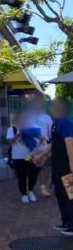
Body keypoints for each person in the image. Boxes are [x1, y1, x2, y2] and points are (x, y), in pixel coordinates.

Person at [48, 99, 73, 236]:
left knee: (70, 195)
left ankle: (72, 225)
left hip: (66, 167)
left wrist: (72, 164)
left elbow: (70, 144)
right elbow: (54, 145)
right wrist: (42, 155)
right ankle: (66, 222)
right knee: (60, 194)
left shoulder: (66, 123)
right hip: (57, 166)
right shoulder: (55, 124)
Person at [6, 110, 41, 203]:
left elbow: (41, 140)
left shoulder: (32, 129)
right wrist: (18, 135)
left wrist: (36, 150)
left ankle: (30, 190)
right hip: (17, 156)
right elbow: (10, 141)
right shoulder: (12, 129)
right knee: (21, 175)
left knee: (32, 173)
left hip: (29, 156)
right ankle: (24, 194)